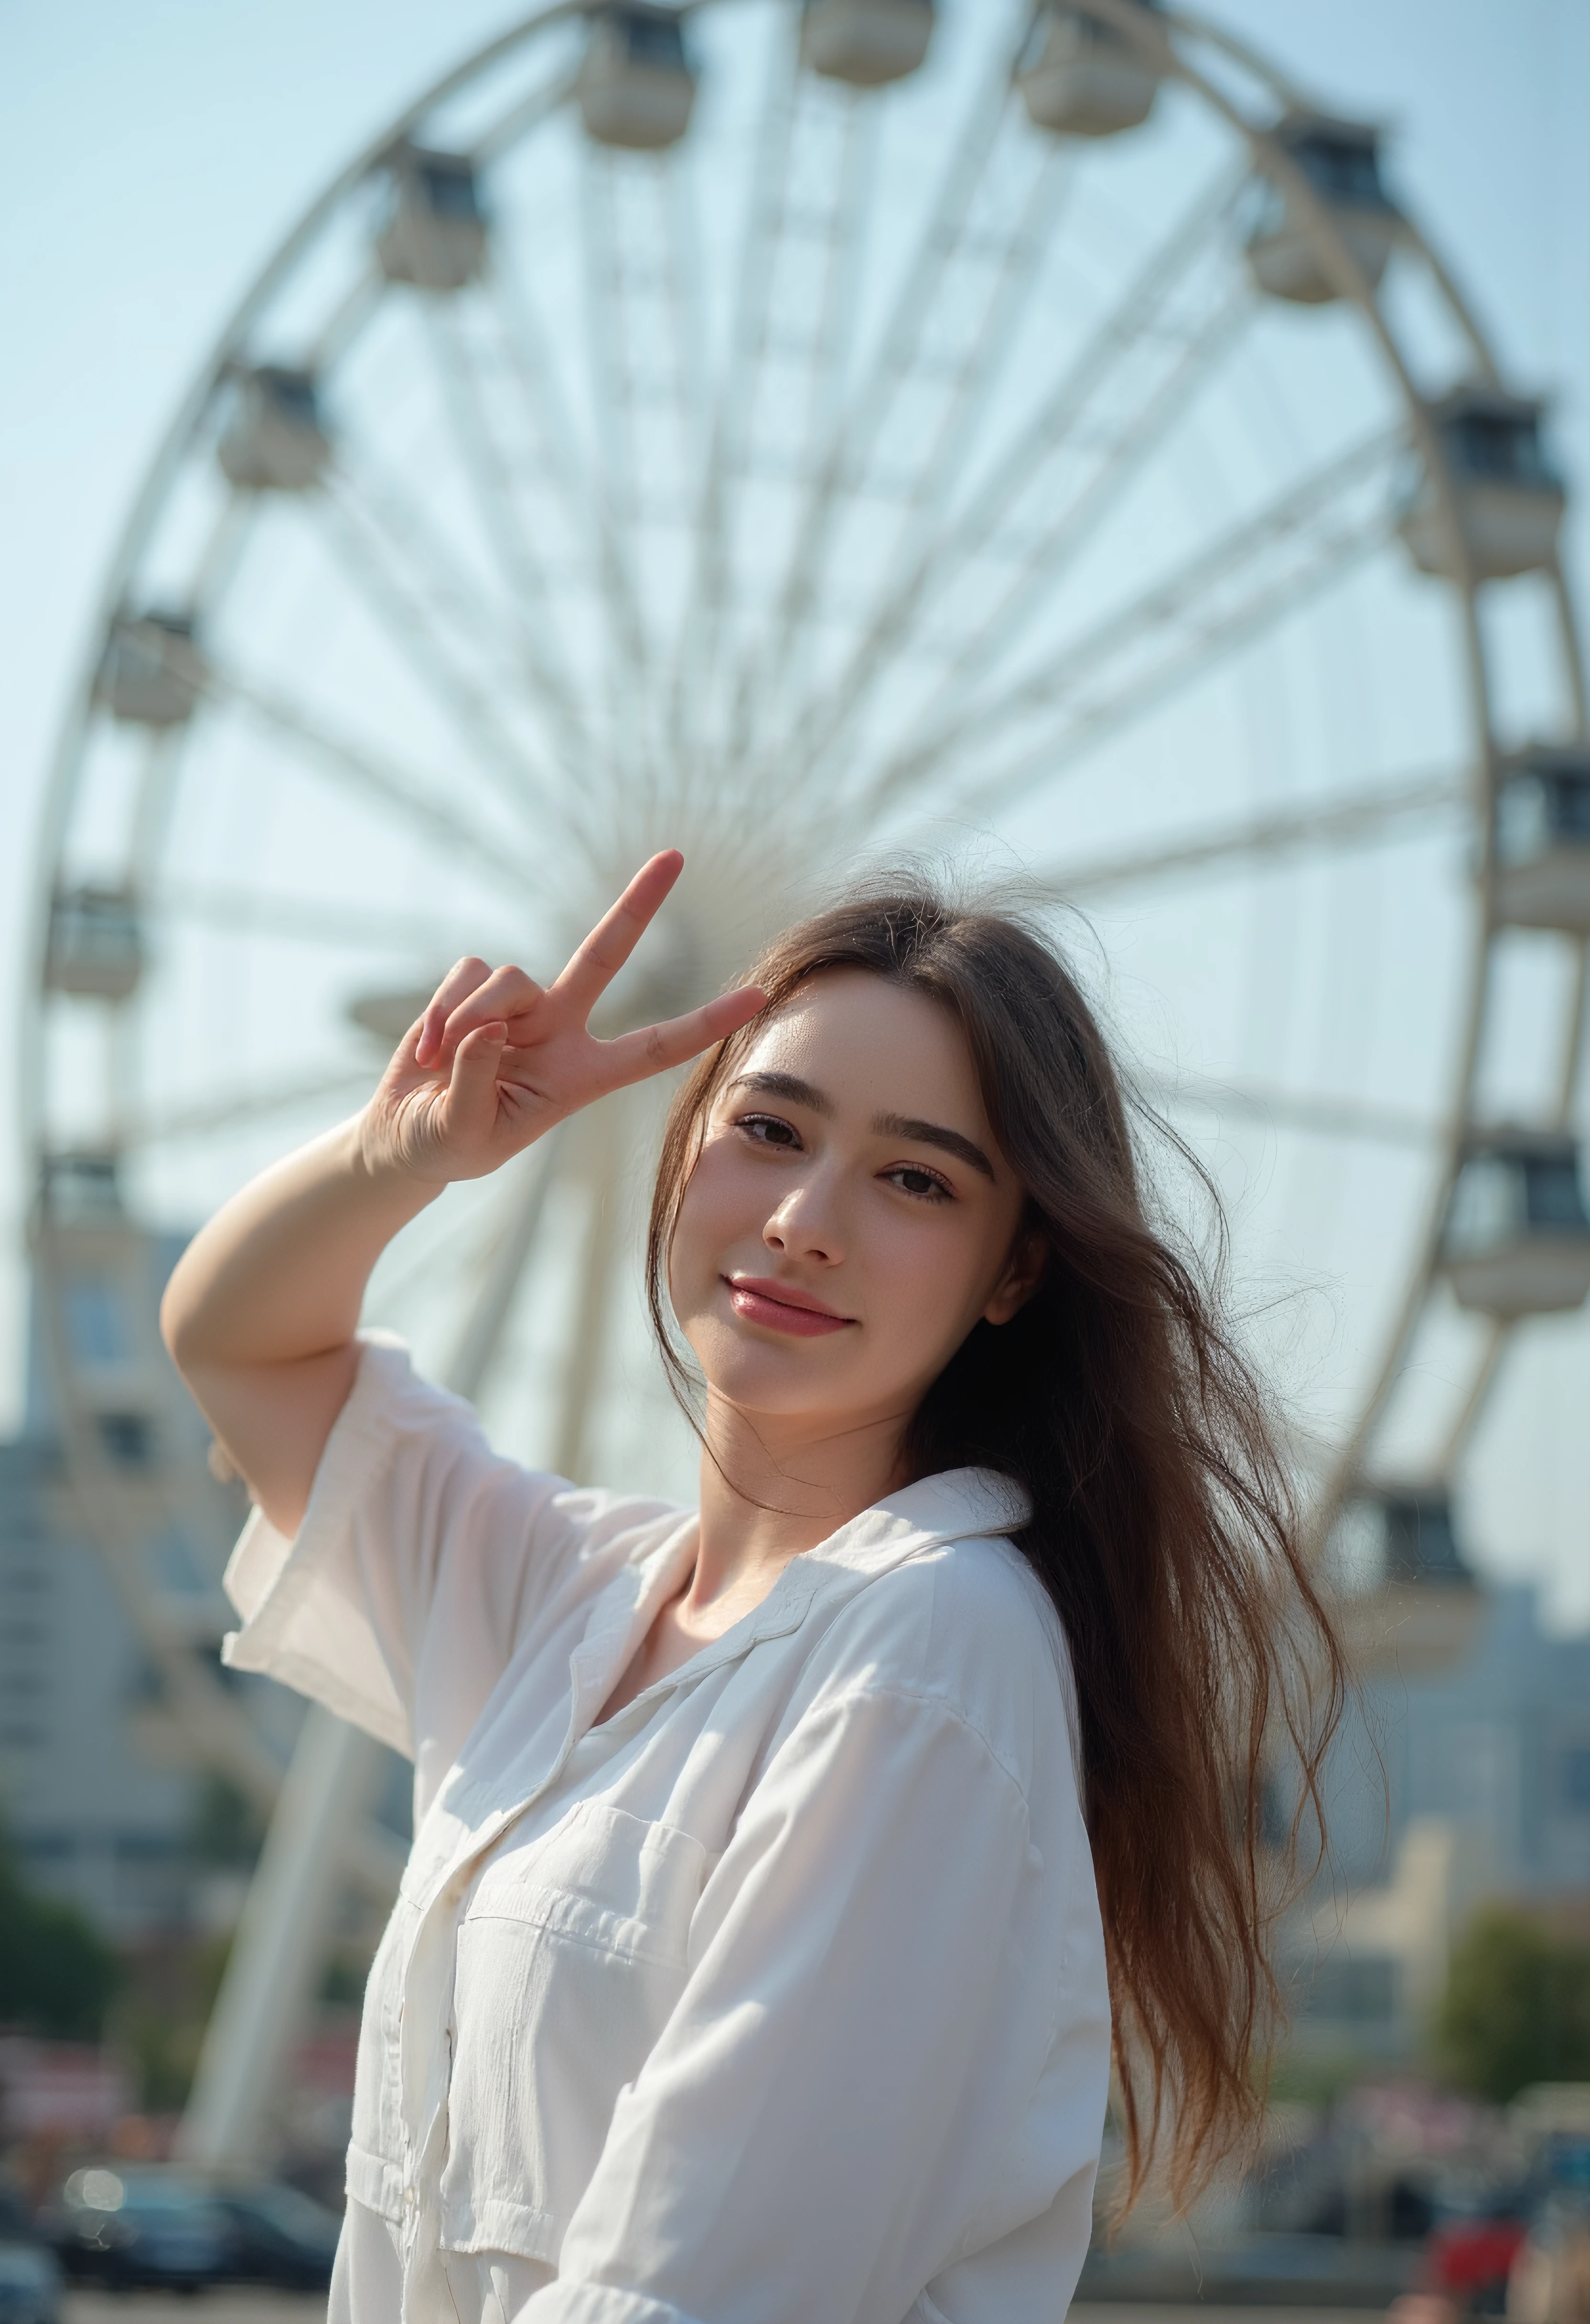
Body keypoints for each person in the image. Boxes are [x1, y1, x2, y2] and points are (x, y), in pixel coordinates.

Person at [162, 850, 1343, 2324]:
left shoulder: (928, 1650)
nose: (805, 1217)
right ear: (680, 1147)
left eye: (915, 1178)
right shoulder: (566, 1595)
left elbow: (685, 2292)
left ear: (1014, 1273)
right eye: (770, 1129)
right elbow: (238, 1347)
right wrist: (408, 1151)